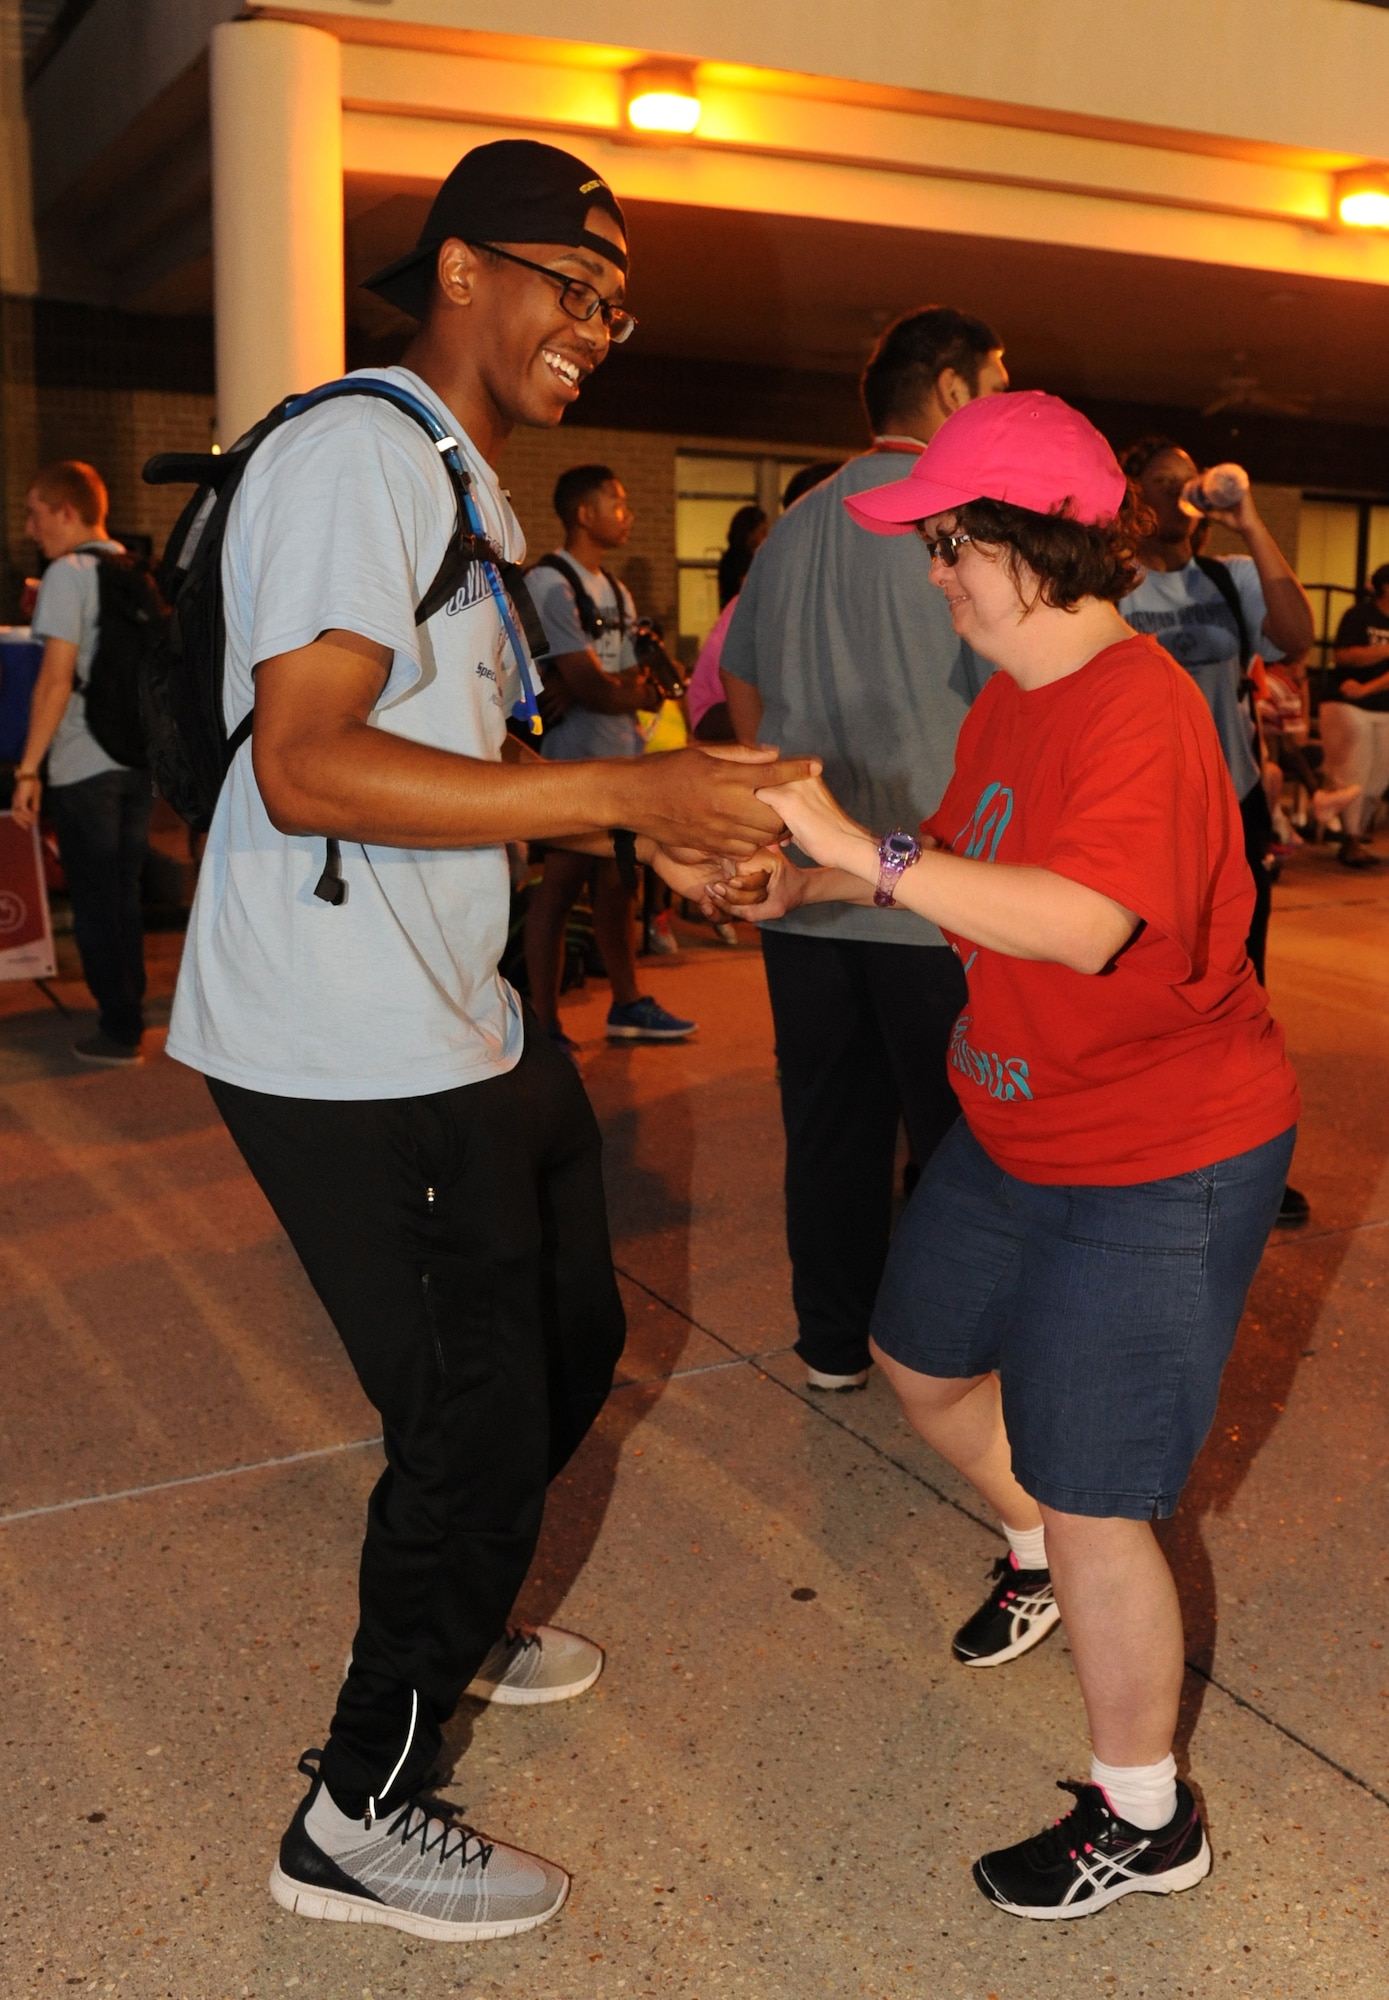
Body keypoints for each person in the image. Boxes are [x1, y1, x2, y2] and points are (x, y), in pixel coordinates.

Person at [162, 137, 813, 1945]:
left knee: (566, 1336)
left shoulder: (461, 486)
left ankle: (475, 1593)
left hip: (461, 1014)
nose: (595, 328)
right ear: (459, 271)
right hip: (347, 1040)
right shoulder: (358, 454)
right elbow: (302, 766)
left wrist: (650, 821)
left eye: (617, 305)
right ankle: (354, 1811)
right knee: (467, 1419)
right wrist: (624, 803)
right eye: (571, 287)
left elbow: (455, 770)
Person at [720, 390, 1300, 1921]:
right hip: (1021, 1118)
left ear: (1028, 543)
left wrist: (865, 853)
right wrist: (798, 884)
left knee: (1104, 1493)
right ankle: (1037, 1541)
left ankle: (1143, 1816)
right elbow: (969, 857)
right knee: (914, 1356)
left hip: (1161, 1152)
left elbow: (1084, 918)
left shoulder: (1141, 704)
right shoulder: (1010, 699)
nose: (931, 577)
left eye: (947, 548)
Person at [720, 306, 1008, 1391]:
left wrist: (805, 777)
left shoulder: (794, 523)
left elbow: (740, 682)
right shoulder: (957, 519)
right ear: (949, 389)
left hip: (807, 896)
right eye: (996, 380)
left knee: (830, 1129)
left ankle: (834, 1344)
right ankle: (954, 1356)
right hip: (930, 890)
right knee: (960, 1139)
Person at [1120, 438, 1313, 1227]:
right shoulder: (1108, 585)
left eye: (1185, 483)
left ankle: (1230, 1160)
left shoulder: (1226, 581)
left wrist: (1248, 522)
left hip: (1229, 808)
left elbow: (1295, 637)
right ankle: (1143, 1154)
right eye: (1161, 486)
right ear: (1128, 498)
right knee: (1141, 987)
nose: (1180, 498)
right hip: (1141, 816)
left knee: (1237, 987)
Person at [522, 464, 695, 1046]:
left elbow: (618, 673)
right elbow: (594, 685)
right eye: (617, 504)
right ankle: (543, 1024)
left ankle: (628, 1004)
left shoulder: (614, 590)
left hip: (621, 758)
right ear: (583, 513)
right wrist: (646, 693)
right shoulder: (551, 583)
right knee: (562, 885)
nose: (629, 515)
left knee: (620, 884)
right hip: (571, 763)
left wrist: (634, 687)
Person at [13, 461, 151, 1064]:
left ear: (67, 512)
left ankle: (118, 1030)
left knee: (96, 900)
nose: (28, 527)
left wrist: (27, 770)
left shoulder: (68, 575)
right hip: (134, 762)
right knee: (123, 894)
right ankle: (129, 1010)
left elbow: (54, 681)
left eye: (34, 512)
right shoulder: (133, 571)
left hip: (82, 762)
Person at [1322, 562, 1389, 864]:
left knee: (1379, 778)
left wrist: (1367, 688)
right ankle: (1348, 839)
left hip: (1381, 706)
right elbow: (1346, 655)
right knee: (1354, 772)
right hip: (1348, 705)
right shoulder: (1359, 615)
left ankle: (1357, 833)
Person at [716, 503, 767, 609]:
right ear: (750, 533)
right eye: (762, 532)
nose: (765, 538)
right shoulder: (743, 560)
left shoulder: (729, 558)